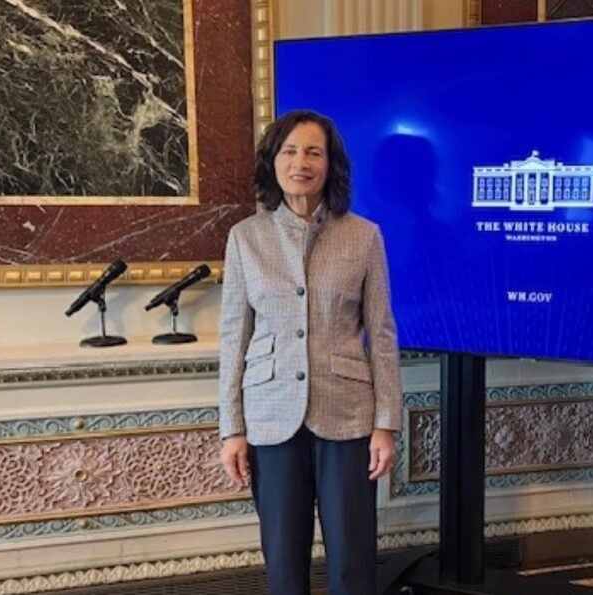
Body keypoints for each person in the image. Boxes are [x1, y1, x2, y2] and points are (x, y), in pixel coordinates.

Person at [217, 109, 402, 595]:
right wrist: (231, 428)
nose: (301, 162)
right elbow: (234, 335)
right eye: (290, 151)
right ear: (274, 162)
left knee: (352, 557)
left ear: (329, 164)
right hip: (270, 414)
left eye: (313, 152)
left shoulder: (364, 236)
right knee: (282, 555)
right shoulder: (245, 238)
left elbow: (382, 334)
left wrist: (386, 424)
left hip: (347, 415)